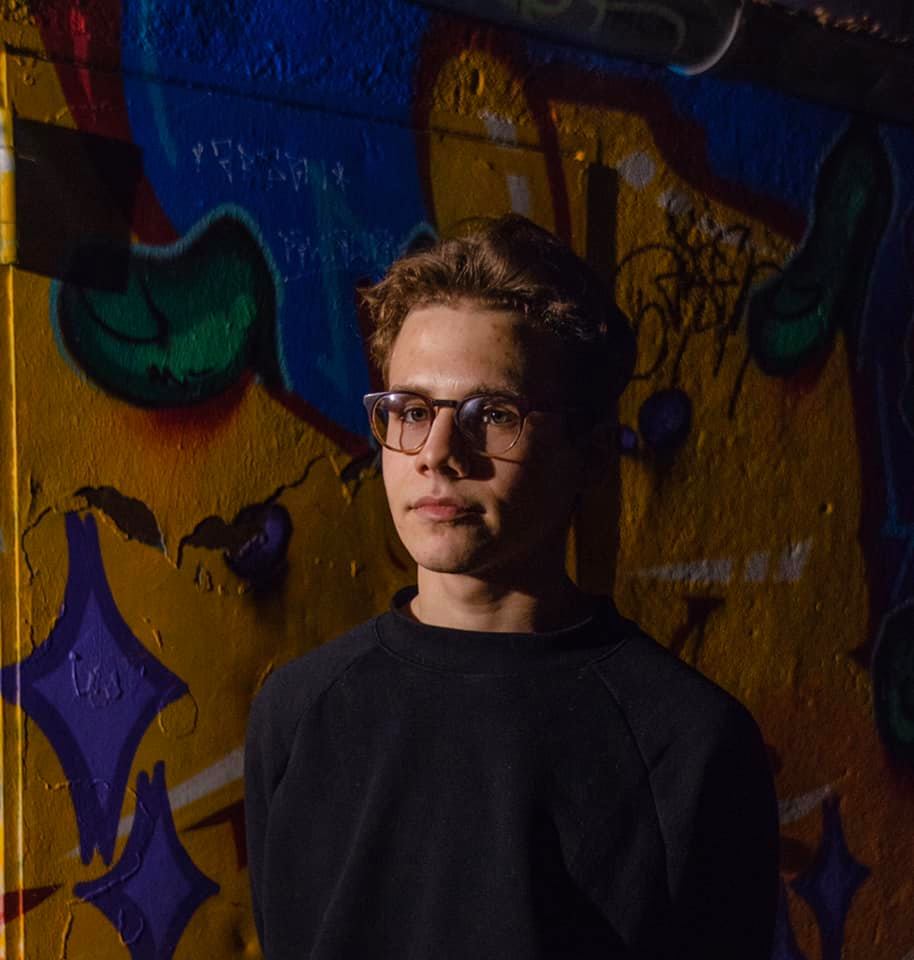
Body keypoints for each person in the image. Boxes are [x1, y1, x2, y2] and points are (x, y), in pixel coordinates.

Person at [244, 214, 780, 959]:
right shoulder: (297, 713)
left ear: (591, 456)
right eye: (411, 411)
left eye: (492, 415)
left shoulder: (688, 744)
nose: (437, 453)